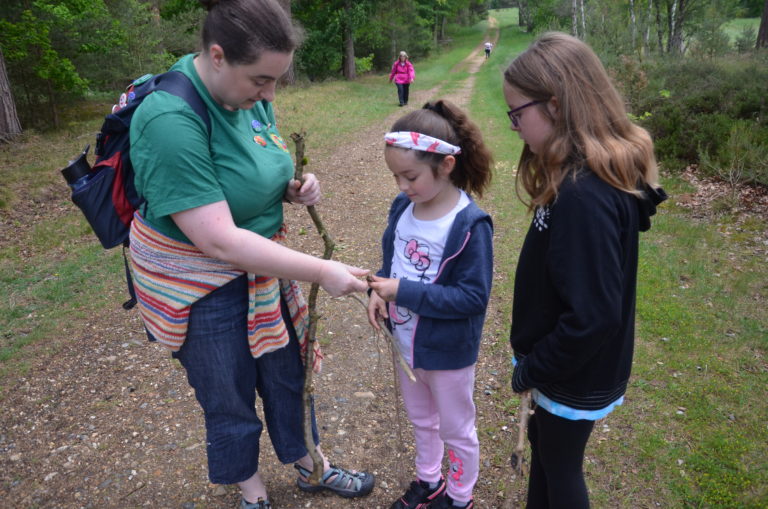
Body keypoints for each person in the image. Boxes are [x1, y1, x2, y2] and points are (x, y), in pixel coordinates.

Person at [127, 1, 375, 508]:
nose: (269, 94)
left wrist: (289, 188)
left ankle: (310, 465)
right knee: (228, 391)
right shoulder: (168, 118)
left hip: (260, 267)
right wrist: (323, 270)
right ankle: (252, 493)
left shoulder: (247, 93)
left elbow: (250, 166)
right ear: (217, 56)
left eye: (276, 81)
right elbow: (217, 239)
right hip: (198, 278)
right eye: (261, 80)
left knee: (287, 373)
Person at [503, 32, 667, 508]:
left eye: (517, 113)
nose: (513, 126)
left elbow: (594, 316)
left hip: (569, 372)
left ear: (554, 106)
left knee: (561, 467)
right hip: (569, 366)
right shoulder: (574, 177)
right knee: (548, 456)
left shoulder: (584, 194)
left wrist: (533, 367)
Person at [367, 100, 494, 509]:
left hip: (448, 352)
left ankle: (459, 498)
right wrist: (376, 290)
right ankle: (429, 480)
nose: (402, 186)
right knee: (422, 420)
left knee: (456, 429)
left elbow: (472, 298)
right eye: (395, 177)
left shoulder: (468, 224)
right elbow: (392, 264)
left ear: (445, 166)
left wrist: (400, 291)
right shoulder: (403, 208)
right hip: (408, 344)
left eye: (411, 176)